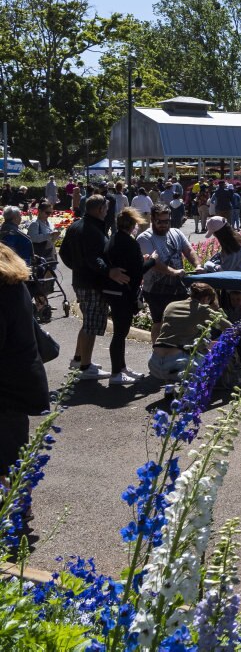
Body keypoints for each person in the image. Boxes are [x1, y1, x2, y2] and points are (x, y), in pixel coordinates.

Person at [0, 242, 50, 553]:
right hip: (22, 381)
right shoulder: (15, 286)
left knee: (7, 454)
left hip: (5, 384)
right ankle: (20, 506)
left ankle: (17, 509)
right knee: (13, 449)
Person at [62, 195, 130, 379]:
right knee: (91, 325)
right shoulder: (91, 230)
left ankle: (79, 359)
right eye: (106, 208)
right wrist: (109, 272)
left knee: (87, 322)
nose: (108, 211)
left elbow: (64, 253)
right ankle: (85, 367)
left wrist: (77, 267)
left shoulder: (76, 226)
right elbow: (94, 258)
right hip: (92, 283)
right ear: (100, 209)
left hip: (81, 280)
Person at [104, 207, 154, 385]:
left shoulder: (114, 238)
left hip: (112, 290)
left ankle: (121, 367)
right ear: (133, 224)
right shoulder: (130, 243)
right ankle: (116, 373)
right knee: (120, 333)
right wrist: (152, 260)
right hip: (123, 292)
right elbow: (138, 272)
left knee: (121, 332)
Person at [138, 203, 199, 346]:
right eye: (160, 222)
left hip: (178, 286)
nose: (164, 225)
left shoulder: (176, 233)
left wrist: (198, 265)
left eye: (167, 221)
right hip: (156, 289)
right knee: (159, 322)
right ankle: (157, 351)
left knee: (182, 320)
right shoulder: (144, 238)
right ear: (152, 220)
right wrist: (173, 272)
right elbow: (155, 263)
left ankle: (178, 350)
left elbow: (188, 250)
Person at [149, 283, 222, 382]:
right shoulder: (203, 309)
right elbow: (229, 327)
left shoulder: (171, 305)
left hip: (154, 363)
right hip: (177, 364)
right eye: (210, 301)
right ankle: (190, 392)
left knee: (178, 349)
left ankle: (170, 388)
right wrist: (215, 307)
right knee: (208, 361)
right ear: (206, 298)